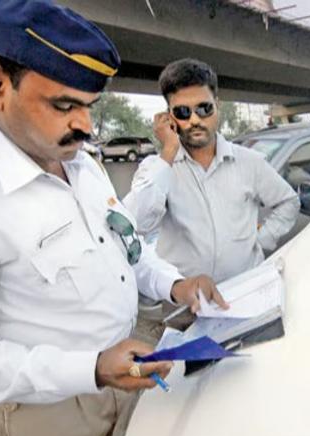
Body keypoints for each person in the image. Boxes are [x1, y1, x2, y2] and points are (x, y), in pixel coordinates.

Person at [0, 1, 226, 436]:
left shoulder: (80, 164)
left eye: (89, 105)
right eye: (64, 104)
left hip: (120, 378)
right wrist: (91, 368)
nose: (85, 126)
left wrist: (176, 285)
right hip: (43, 417)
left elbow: (127, 248)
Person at [123, 59, 300, 287]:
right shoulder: (158, 168)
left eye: (204, 108)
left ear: (217, 105)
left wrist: (260, 241)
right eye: (183, 112)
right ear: (169, 117)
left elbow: (288, 202)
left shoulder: (249, 162)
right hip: (185, 301)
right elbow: (135, 223)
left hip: (244, 290)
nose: (195, 120)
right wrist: (168, 151)